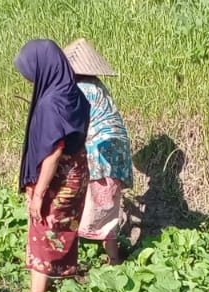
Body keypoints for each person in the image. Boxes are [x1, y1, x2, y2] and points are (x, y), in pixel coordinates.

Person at [14, 38, 90, 292]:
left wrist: (39, 194)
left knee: (43, 229)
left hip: (58, 176)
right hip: (77, 172)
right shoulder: (74, 94)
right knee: (62, 229)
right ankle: (57, 290)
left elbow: (53, 152)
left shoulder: (51, 103)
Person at [64, 38, 131, 265]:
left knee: (89, 203)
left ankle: (68, 258)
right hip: (116, 151)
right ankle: (114, 258)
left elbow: (74, 127)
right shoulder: (97, 85)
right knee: (107, 206)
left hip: (99, 151)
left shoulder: (80, 89)